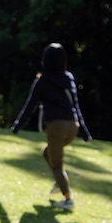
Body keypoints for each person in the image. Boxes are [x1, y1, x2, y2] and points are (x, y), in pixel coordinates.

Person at [11, 42, 93, 212]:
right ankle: (59, 182)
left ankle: (68, 199)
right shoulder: (68, 78)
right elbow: (75, 105)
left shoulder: (42, 81)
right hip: (73, 126)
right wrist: (84, 132)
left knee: (57, 165)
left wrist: (18, 125)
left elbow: (30, 106)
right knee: (47, 154)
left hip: (56, 127)